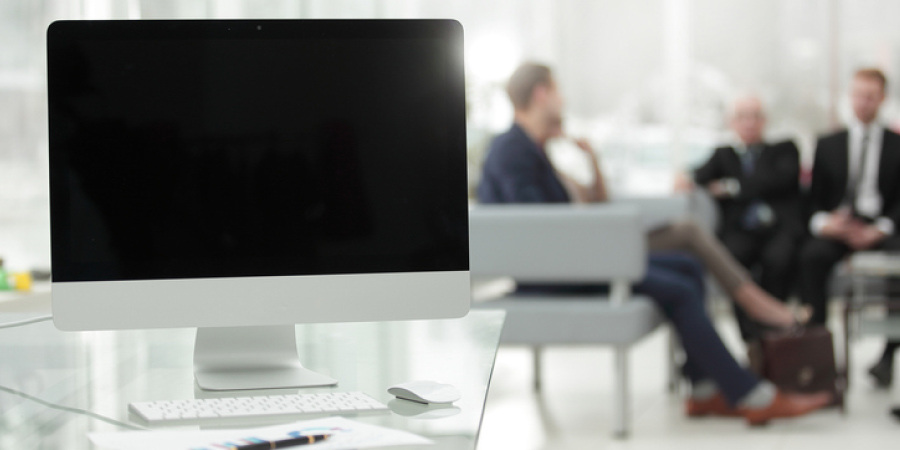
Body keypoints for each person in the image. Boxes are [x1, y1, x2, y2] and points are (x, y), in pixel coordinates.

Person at [478, 62, 831, 423]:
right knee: (679, 287)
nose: (563, 98)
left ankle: (706, 388)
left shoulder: (531, 149)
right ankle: (747, 393)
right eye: (558, 90)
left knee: (689, 265)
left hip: (567, 262)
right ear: (541, 94)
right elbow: (539, 226)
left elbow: (569, 212)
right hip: (553, 273)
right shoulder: (512, 150)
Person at [799, 68, 900, 387]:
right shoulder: (828, 144)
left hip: (881, 227)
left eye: (870, 96)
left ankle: (887, 356)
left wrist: (881, 229)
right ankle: (818, 362)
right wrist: (828, 224)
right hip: (839, 227)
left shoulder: (897, 145)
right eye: (858, 95)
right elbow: (812, 203)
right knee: (811, 257)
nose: (863, 103)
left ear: (882, 99)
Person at [692, 95, 803, 341]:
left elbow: (776, 181)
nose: (750, 123)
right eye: (743, 117)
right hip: (741, 231)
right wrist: (684, 177)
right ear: (732, 122)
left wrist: (732, 187)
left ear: (765, 121)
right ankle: (751, 338)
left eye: (755, 116)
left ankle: (775, 330)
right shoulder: (723, 155)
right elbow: (696, 176)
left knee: (780, 259)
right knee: (731, 262)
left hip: (778, 229)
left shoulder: (784, 149)